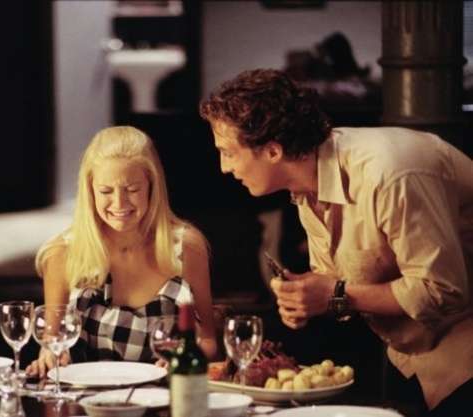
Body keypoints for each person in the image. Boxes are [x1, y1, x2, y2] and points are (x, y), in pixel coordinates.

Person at [199, 68, 473, 416]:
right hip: (409, 355)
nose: (223, 168)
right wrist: (306, 298)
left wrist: (335, 295)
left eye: (228, 152)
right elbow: (341, 282)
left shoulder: (389, 174)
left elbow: (442, 290)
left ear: (273, 151)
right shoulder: (307, 186)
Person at [26, 126, 217, 377]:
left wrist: (182, 359)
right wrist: (50, 356)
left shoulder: (186, 247)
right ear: (90, 191)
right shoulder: (61, 253)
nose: (119, 203)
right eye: (106, 191)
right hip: (86, 397)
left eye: (132, 189)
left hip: (164, 395)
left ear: (152, 186)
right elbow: (52, 343)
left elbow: (208, 341)